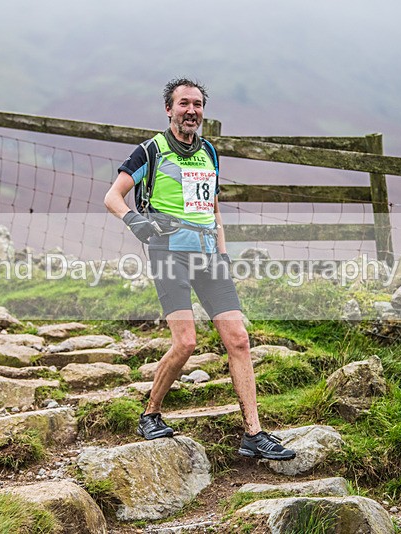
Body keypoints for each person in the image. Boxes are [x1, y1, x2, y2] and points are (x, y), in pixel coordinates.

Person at [104, 78, 296, 461]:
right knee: (187, 342)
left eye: (197, 104)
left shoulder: (209, 151)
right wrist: (135, 222)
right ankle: (150, 413)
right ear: (169, 109)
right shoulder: (150, 151)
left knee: (238, 338)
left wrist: (223, 253)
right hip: (168, 254)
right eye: (183, 104)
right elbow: (113, 195)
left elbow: (214, 208)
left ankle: (253, 434)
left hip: (209, 257)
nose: (191, 110)